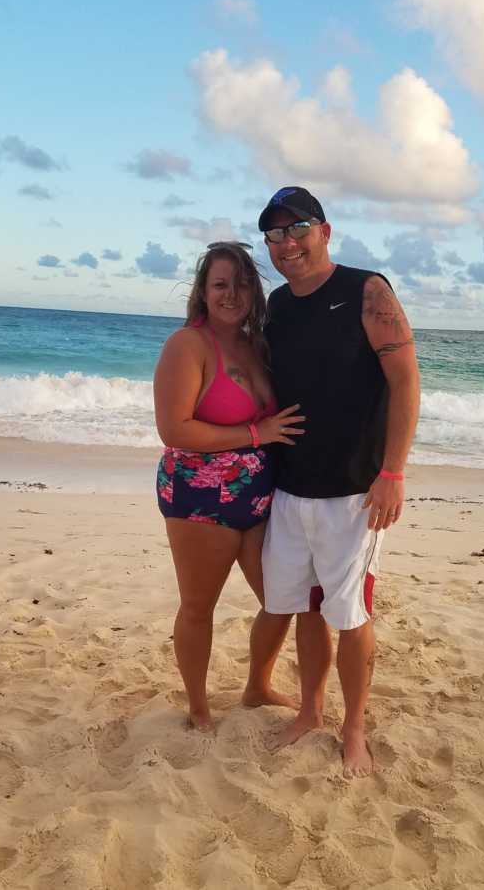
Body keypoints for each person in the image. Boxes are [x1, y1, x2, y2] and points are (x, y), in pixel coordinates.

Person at [258, 187, 421, 776]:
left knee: (350, 615)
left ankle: (354, 727)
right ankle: (310, 711)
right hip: (291, 486)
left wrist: (393, 472)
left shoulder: (366, 290)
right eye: (275, 235)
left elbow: (405, 382)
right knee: (305, 607)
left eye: (297, 228)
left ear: (325, 230)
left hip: (355, 491)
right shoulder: (276, 306)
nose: (287, 243)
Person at [153, 241, 306, 732]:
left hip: (258, 499)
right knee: (199, 607)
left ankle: (257, 686)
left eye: (241, 284)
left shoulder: (256, 345)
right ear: (202, 291)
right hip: (200, 497)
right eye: (220, 284)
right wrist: (255, 435)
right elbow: (174, 429)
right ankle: (198, 709)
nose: (231, 294)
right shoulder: (187, 345)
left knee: (282, 598)